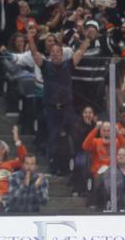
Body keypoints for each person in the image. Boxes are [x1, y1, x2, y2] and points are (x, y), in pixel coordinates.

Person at [28, 25, 90, 173]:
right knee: (53, 137)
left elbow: (80, 51)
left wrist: (87, 38)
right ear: (50, 53)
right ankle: (54, 165)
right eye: (53, 52)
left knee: (75, 133)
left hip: (67, 107)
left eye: (58, 52)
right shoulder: (45, 66)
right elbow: (34, 52)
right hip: (51, 109)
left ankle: (73, 164)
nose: (55, 54)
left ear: (62, 54)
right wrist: (30, 37)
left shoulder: (68, 65)